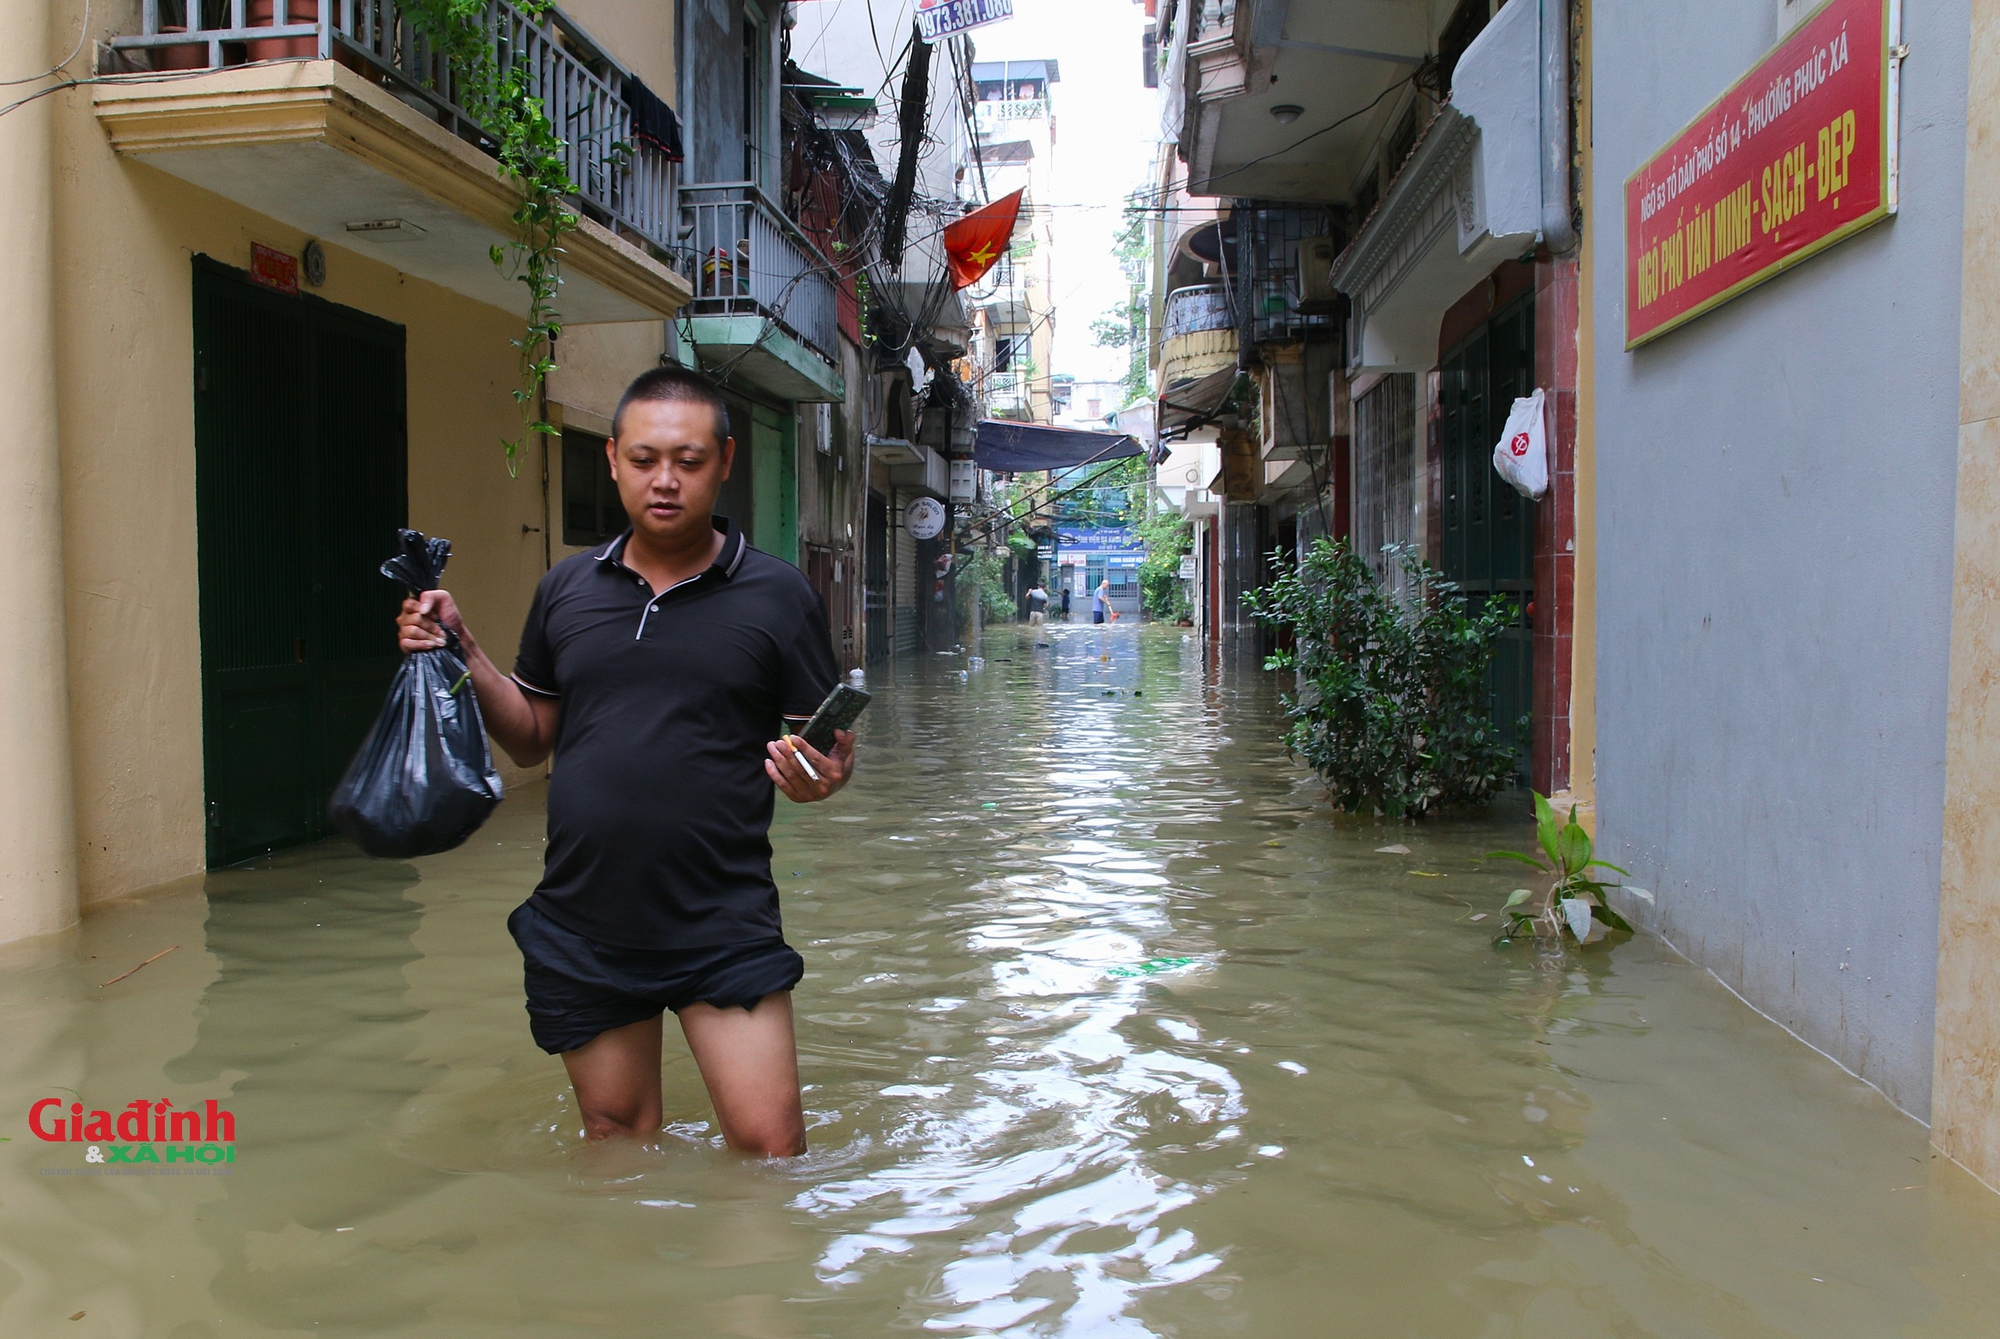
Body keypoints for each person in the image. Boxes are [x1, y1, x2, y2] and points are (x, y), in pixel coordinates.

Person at [395, 365, 854, 1158]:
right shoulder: (566, 589)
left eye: (688, 459)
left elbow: (813, 750)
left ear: (726, 461)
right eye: (644, 460)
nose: (665, 480)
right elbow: (534, 734)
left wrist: (825, 779)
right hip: (587, 916)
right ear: (612, 459)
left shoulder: (778, 596)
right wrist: (461, 647)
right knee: (615, 1140)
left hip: (722, 914)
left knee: (770, 1149)